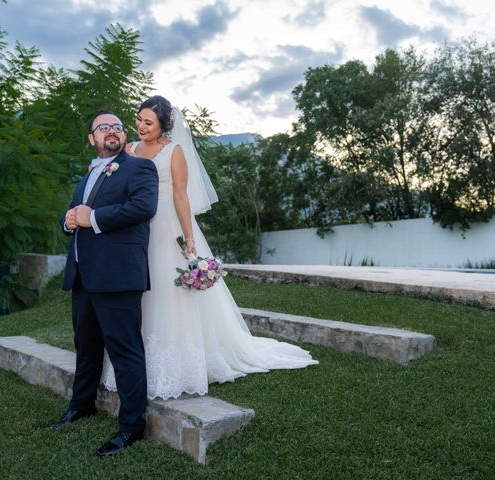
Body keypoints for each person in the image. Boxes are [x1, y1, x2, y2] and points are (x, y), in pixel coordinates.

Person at [101, 96, 317, 400]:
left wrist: (189, 240)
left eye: (148, 122)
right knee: (139, 291)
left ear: (163, 125)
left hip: (167, 227)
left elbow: (180, 196)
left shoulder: (173, 152)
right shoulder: (130, 150)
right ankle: (134, 361)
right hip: (136, 227)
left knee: (168, 291)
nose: (140, 126)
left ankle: (175, 365)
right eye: (138, 120)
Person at [50, 109, 159, 458]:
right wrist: (68, 222)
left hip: (117, 275)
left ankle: (131, 427)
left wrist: (91, 217)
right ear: (92, 138)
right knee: (86, 346)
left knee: (125, 351)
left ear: (123, 135)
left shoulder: (139, 167)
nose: (111, 131)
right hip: (83, 276)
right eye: (103, 127)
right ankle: (81, 405)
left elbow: (143, 207)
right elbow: (72, 217)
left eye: (117, 126)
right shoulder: (85, 178)